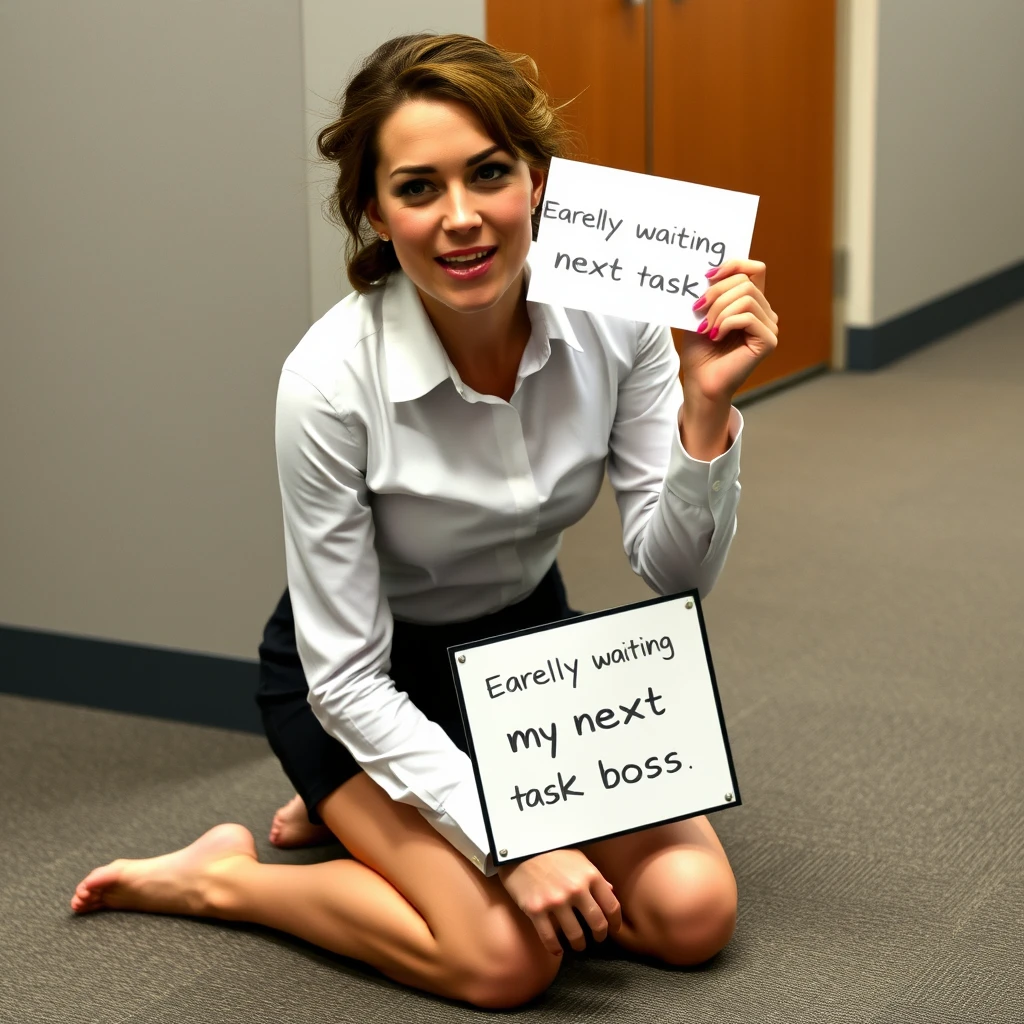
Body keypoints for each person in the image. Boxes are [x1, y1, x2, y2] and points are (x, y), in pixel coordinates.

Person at [70, 33, 778, 1010]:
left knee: (691, 914)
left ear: (537, 180)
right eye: (417, 188)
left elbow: (676, 575)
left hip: (525, 652)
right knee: (505, 961)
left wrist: (704, 411)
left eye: (489, 173)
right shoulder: (329, 380)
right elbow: (346, 678)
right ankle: (228, 877)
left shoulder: (618, 321)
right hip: (362, 685)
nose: (461, 218)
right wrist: (509, 840)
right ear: (373, 210)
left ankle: (368, 829)